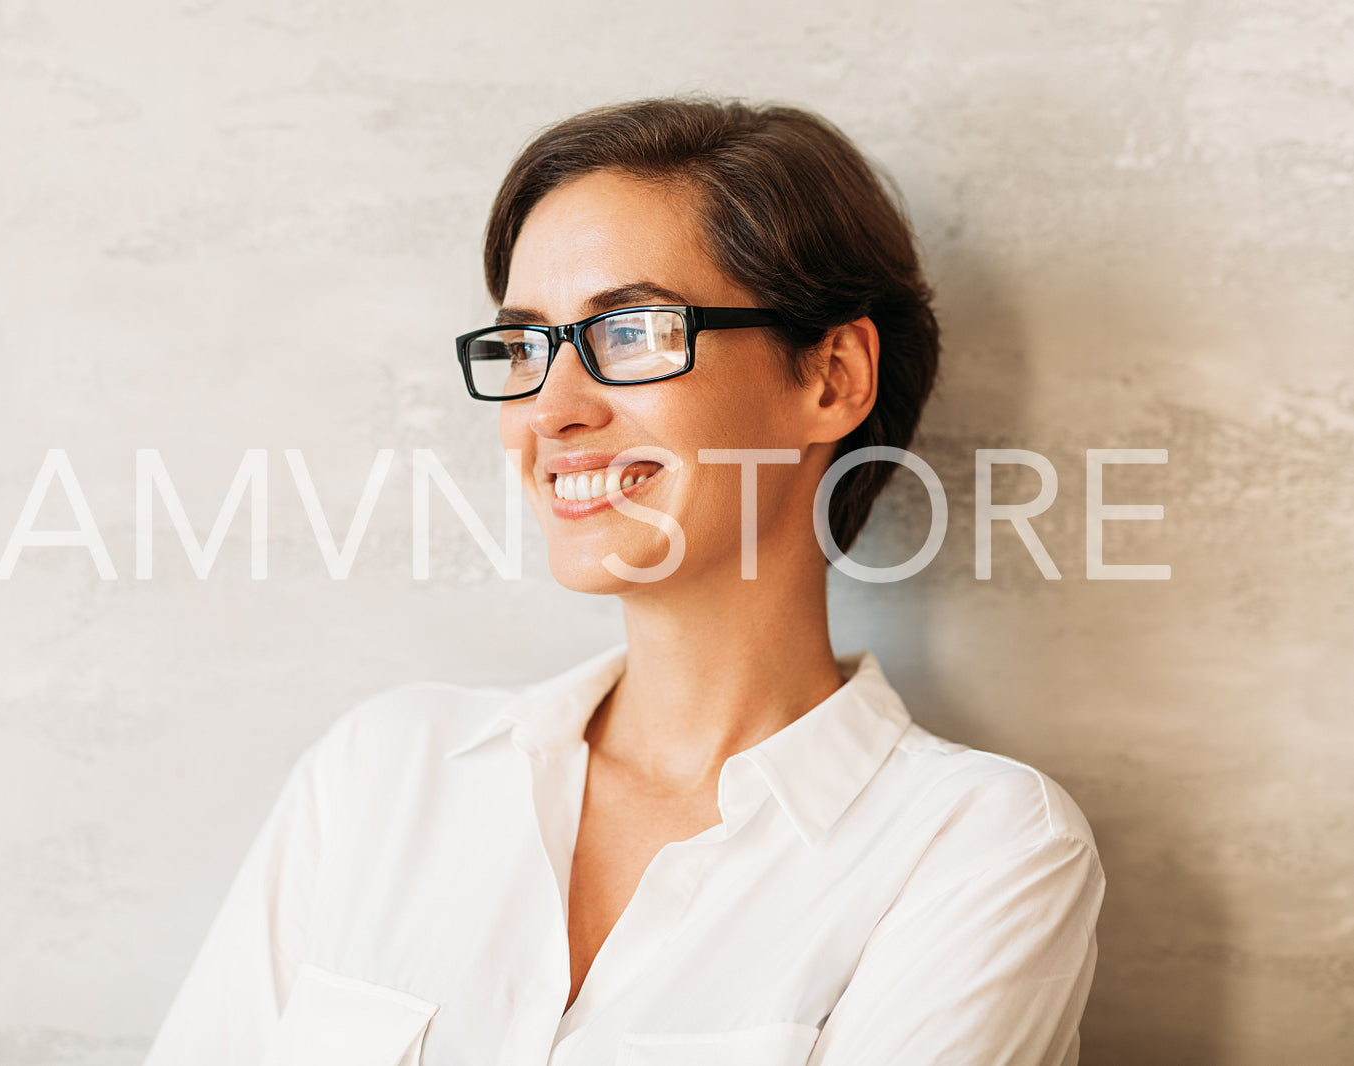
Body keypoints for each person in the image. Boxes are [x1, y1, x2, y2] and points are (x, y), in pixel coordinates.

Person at [142, 97, 1105, 1066]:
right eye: (524, 346)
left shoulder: (978, 852)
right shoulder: (376, 776)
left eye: (632, 331)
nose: (550, 411)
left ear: (830, 374)